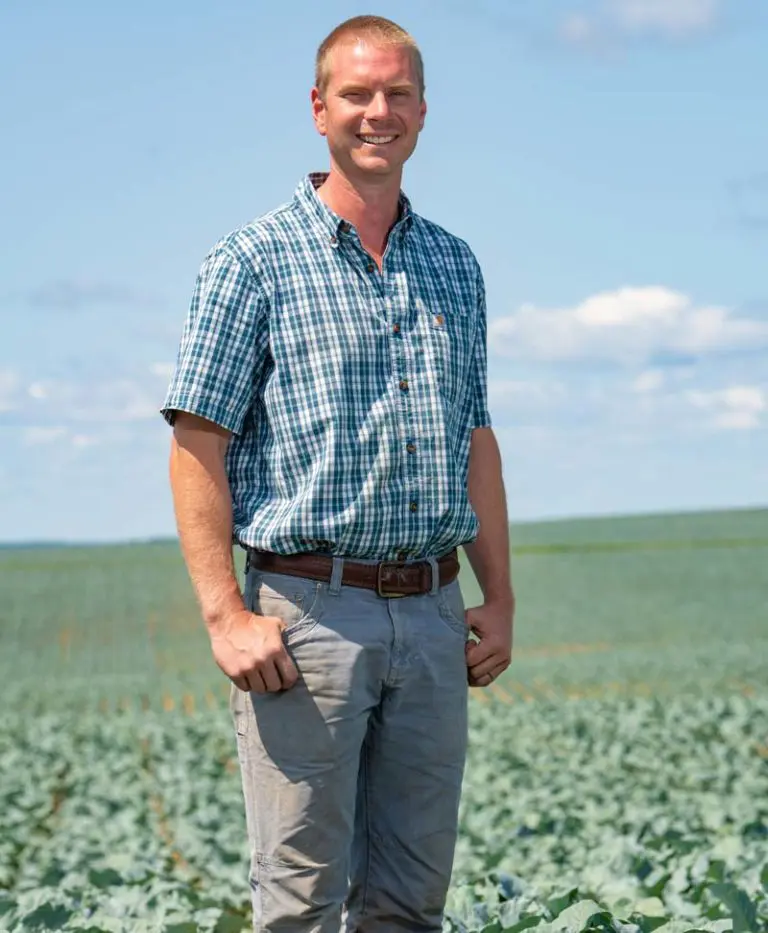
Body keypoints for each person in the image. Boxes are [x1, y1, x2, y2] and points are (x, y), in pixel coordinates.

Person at [161, 14, 514, 932]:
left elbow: (473, 435)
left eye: (397, 93)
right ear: (319, 109)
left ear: (424, 112)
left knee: (410, 902)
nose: (377, 112)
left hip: (434, 616)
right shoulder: (250, 261)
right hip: (307, 617)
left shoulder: (454, 265)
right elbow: (197, 441)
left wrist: (499, 595)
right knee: (301, 905)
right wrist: (224, 613)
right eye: (357, 94)